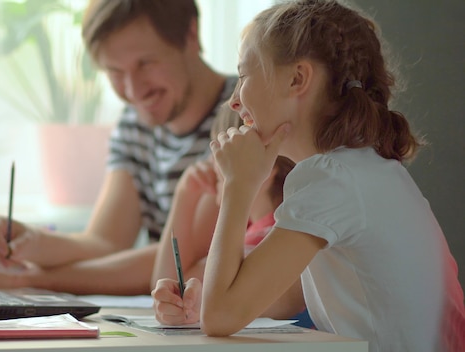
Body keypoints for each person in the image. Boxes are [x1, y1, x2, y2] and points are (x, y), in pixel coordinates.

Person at [151, 1, 465, 351]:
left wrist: (240, 184)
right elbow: (279, 298)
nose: (234, 103)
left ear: (297, 78)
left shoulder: (330, 179)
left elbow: (221, 318)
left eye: (243, 77)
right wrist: (198, 307)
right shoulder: (362, 170)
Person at [0, 0, 238, 295]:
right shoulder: (135, 122)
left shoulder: (244, 110)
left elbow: (183, 258)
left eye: (146, 63)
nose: (133, 90)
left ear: (191, 35)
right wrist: (29, 242)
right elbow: (105, 243)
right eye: (114, 72)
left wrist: (25, 278)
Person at [150, 104, 307, 326]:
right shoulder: (267, 230)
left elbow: (173, 283)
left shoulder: (266, 238)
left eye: (219, 153)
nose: (211, 162)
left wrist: (184, 198)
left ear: (263, 165)